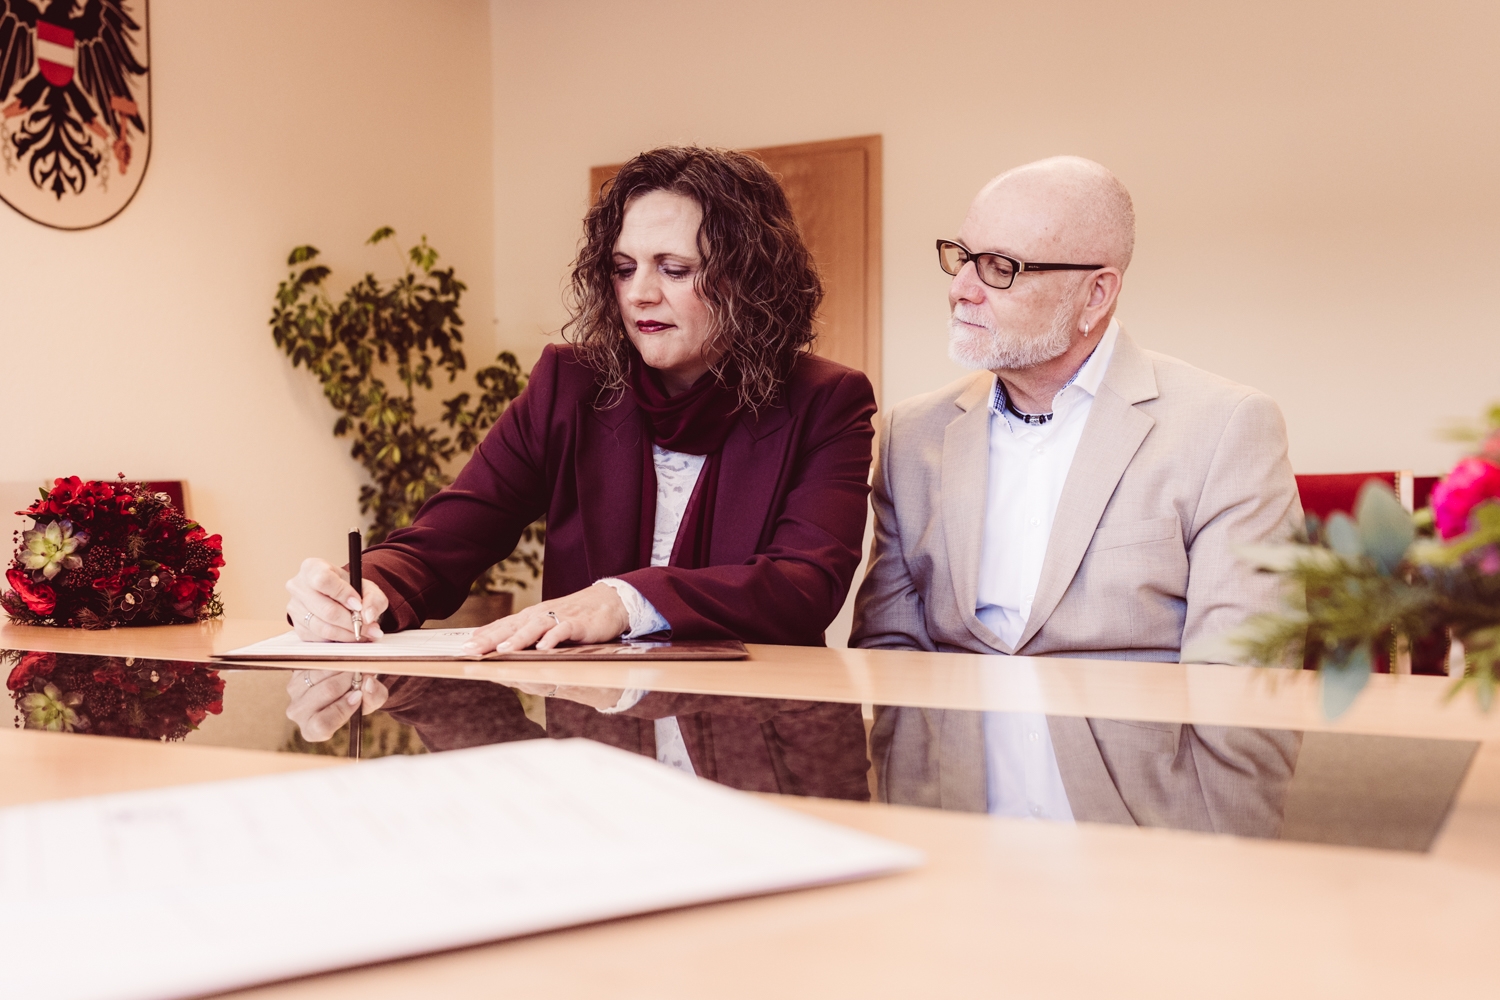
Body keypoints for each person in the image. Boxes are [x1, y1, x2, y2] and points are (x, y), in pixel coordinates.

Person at [283, 146, 875, 800]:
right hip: (592, 781)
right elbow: (449, 537)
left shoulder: (827, 400)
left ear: (749, 279)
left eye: (675, 269)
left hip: (761, 779)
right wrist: (365, 589)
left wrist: (625, 600)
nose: (640, 293)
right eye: (624, 268)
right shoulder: (568, 385)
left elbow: (803, 586)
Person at [851, 157, 1302, 833]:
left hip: (1144, 830)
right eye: (961, 258)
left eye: (999, 267)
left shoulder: (1225, 427)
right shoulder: (912, 434)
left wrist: (1210, 871)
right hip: (954, 824)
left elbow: (1242, 678)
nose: (962, 289)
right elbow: (889, 651)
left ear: (1096, 294)